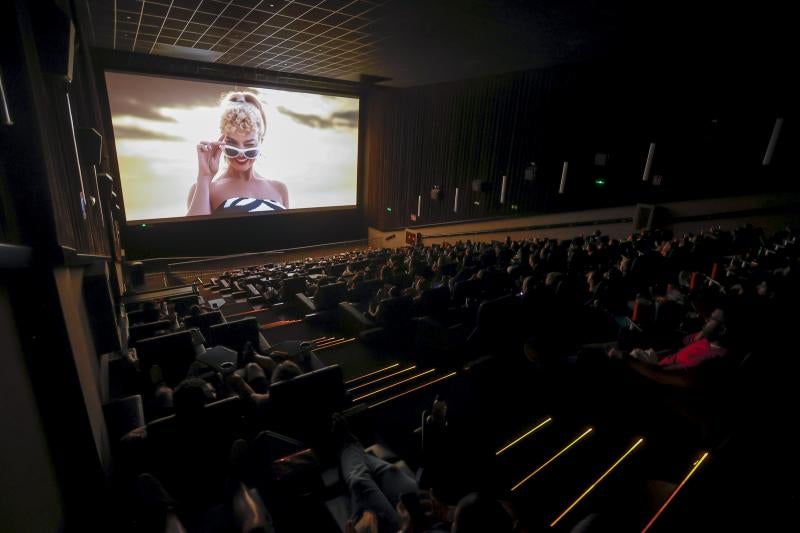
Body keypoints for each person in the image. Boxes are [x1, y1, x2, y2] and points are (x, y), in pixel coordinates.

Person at [187, 92, 289, 216]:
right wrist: (204, 176)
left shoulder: (279, 189)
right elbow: (195, 228)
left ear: (260, 141)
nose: (241, 153)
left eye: (249, 145)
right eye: (232, 144)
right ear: (222, 141)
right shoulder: (205, 189)